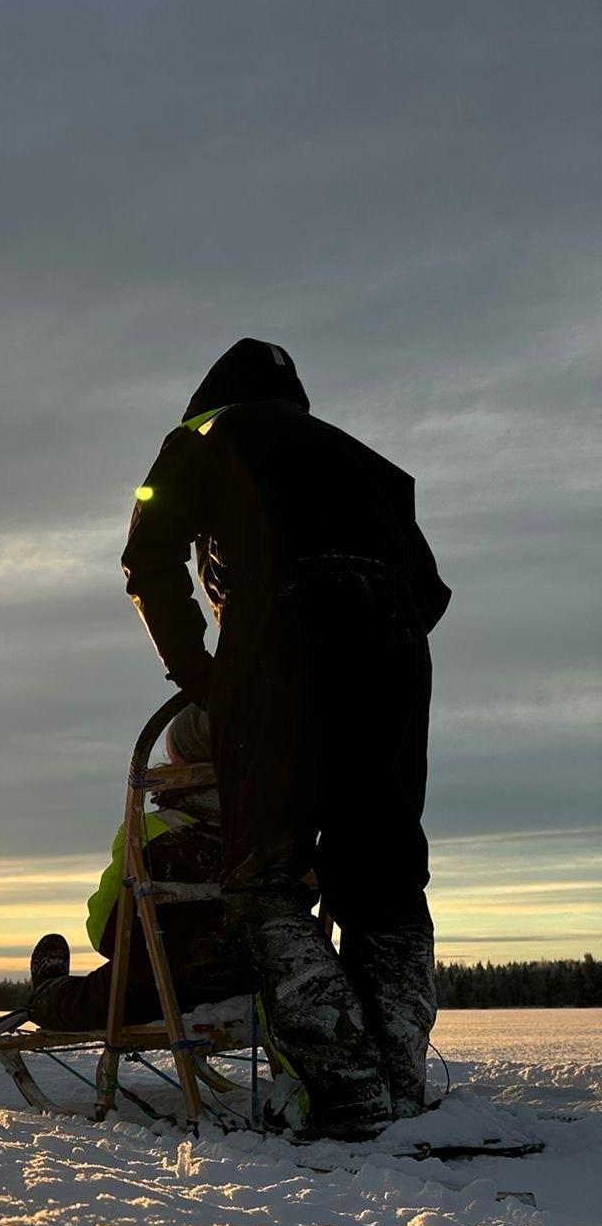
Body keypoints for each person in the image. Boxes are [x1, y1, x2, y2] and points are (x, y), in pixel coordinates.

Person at [121, 337, 450, 1137]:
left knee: (262, 879)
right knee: (384, 878)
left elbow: (148, 555)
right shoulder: (371, 466)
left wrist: (198, 672)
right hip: (396, 664)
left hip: (282, 654)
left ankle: (350, 1092)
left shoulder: (202, 439)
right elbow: (430, 591)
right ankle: (403, 1085)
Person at [28, 705, 250, 1031]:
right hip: (252, 985)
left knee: (79, 1000)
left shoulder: (153, 833)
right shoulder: (266, 836)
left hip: (157, 991)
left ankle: (47, 992)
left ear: (179, 762)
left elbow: (106, 934)